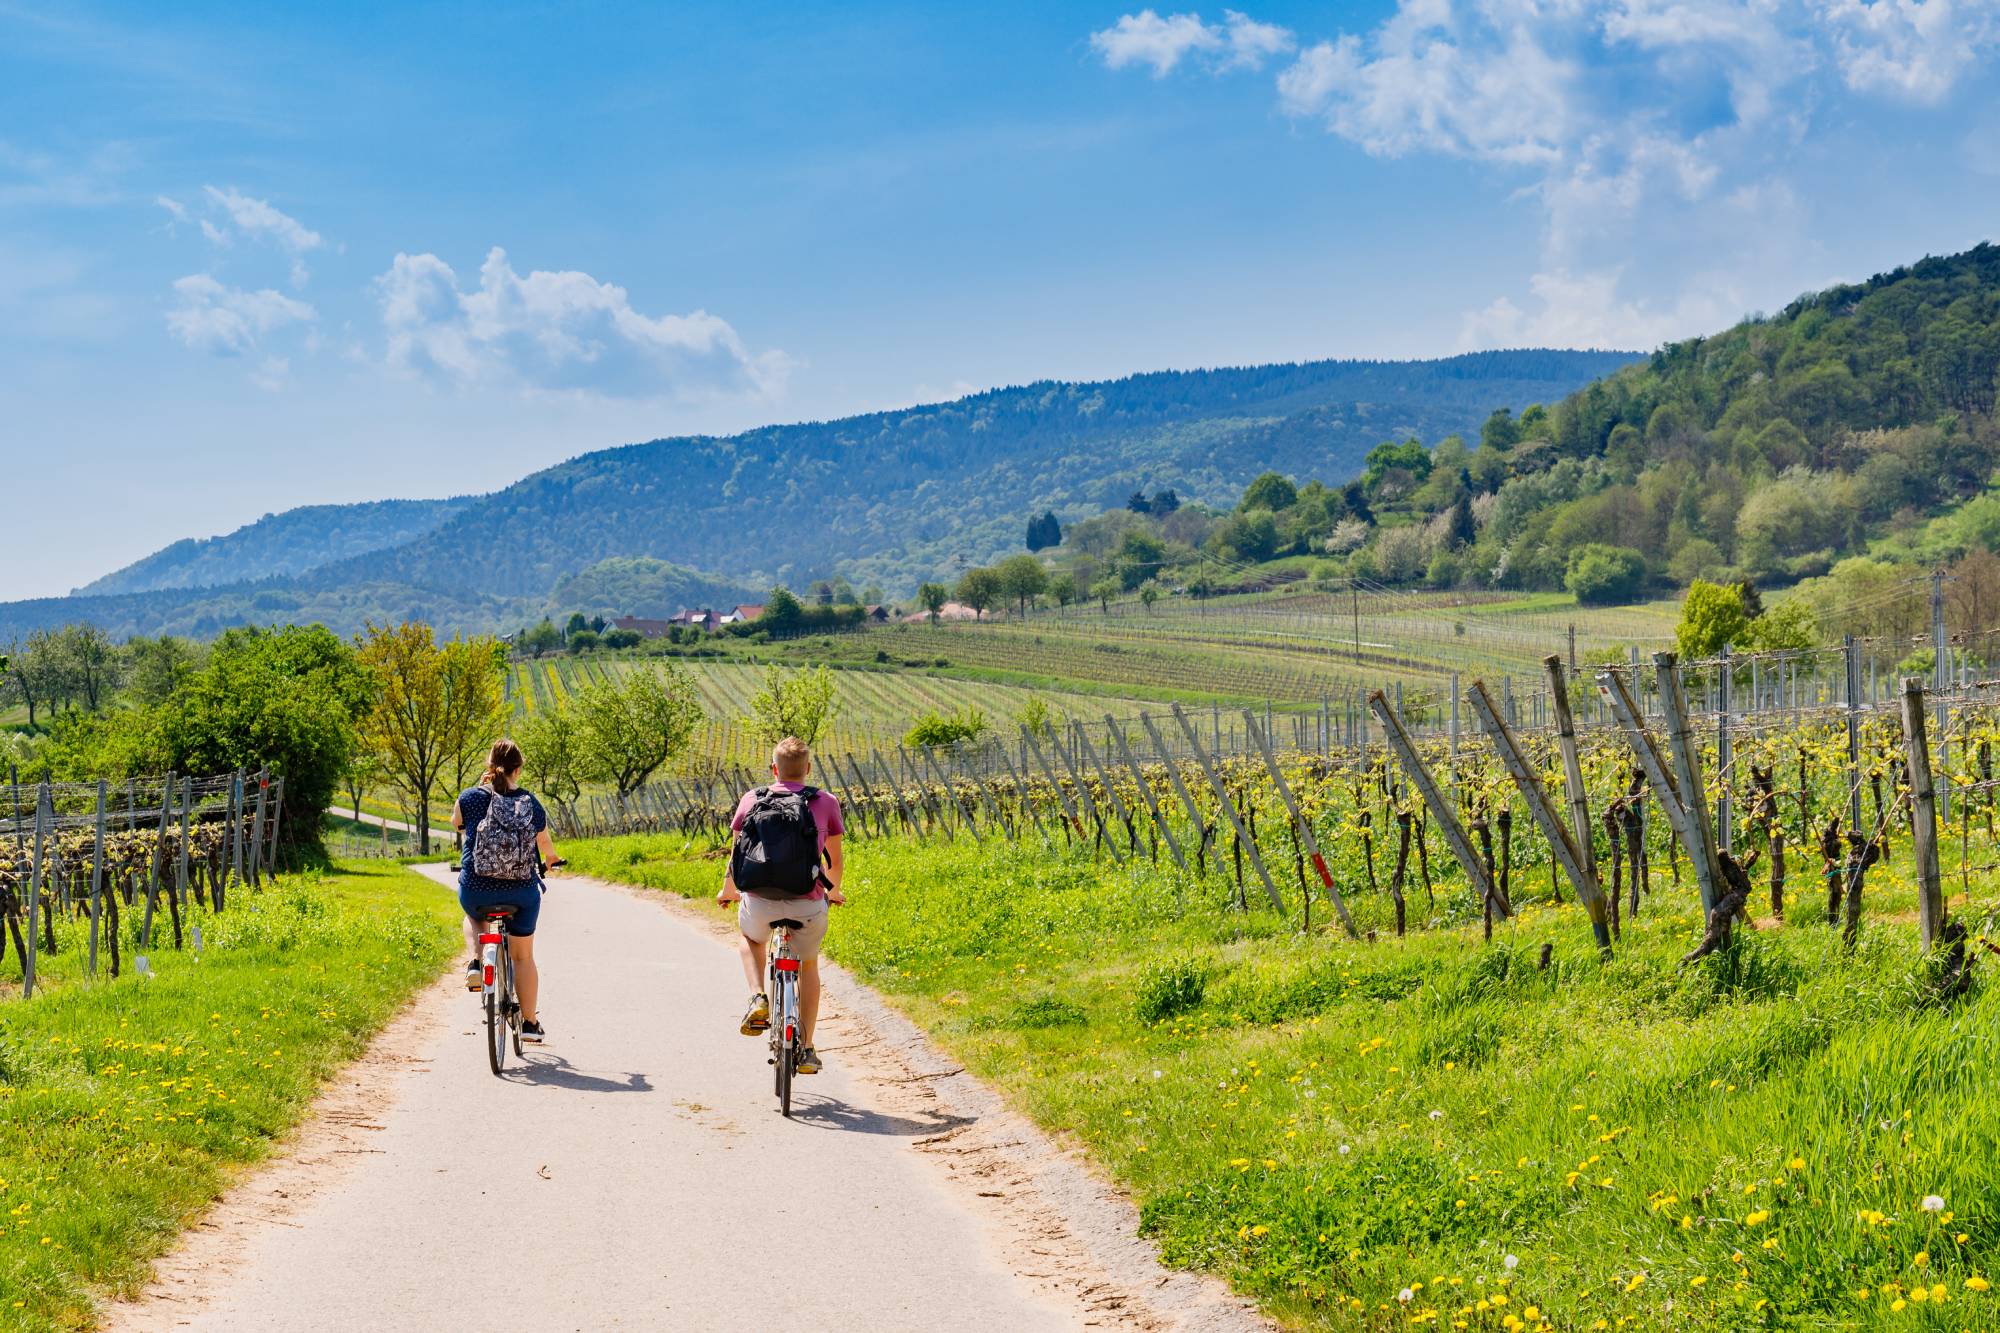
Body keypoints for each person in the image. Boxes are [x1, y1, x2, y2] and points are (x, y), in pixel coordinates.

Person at [717, 736, 844, 1075]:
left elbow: (737, 856)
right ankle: (807, 1048)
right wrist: (833, 892)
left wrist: (727, 891)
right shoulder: (825, 801)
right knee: (809, 965)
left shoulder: (751, 799)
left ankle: (758, 997)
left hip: (760, 902)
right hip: (807, 904)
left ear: (774, 769)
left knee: (750, 938)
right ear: (808, 769)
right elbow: (835, 863)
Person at [452, 737, 559, 1044]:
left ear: (489, 765)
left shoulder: (470, 797)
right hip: (521, 893)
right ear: (519, 769)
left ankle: (476, 962)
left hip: (477, 888)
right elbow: (547, 848)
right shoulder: (530, 803)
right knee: (523, 957)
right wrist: (551, 862)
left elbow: (457, 824)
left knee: (473, 916)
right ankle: (528, 1022)